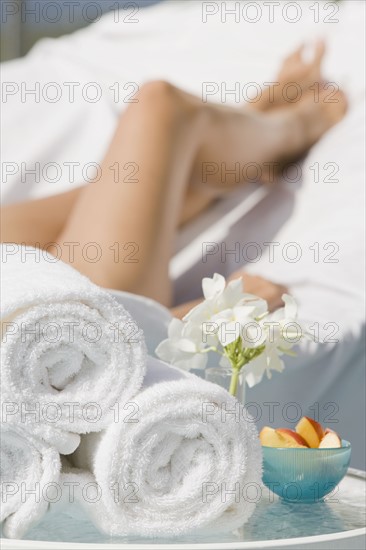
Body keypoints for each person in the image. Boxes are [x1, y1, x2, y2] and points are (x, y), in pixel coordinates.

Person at [1, 42, 346, 312]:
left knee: (120, 185)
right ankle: (295, 130)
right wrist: (211, 315)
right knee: (160, 105)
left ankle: (236, 129)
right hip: (69, 310)